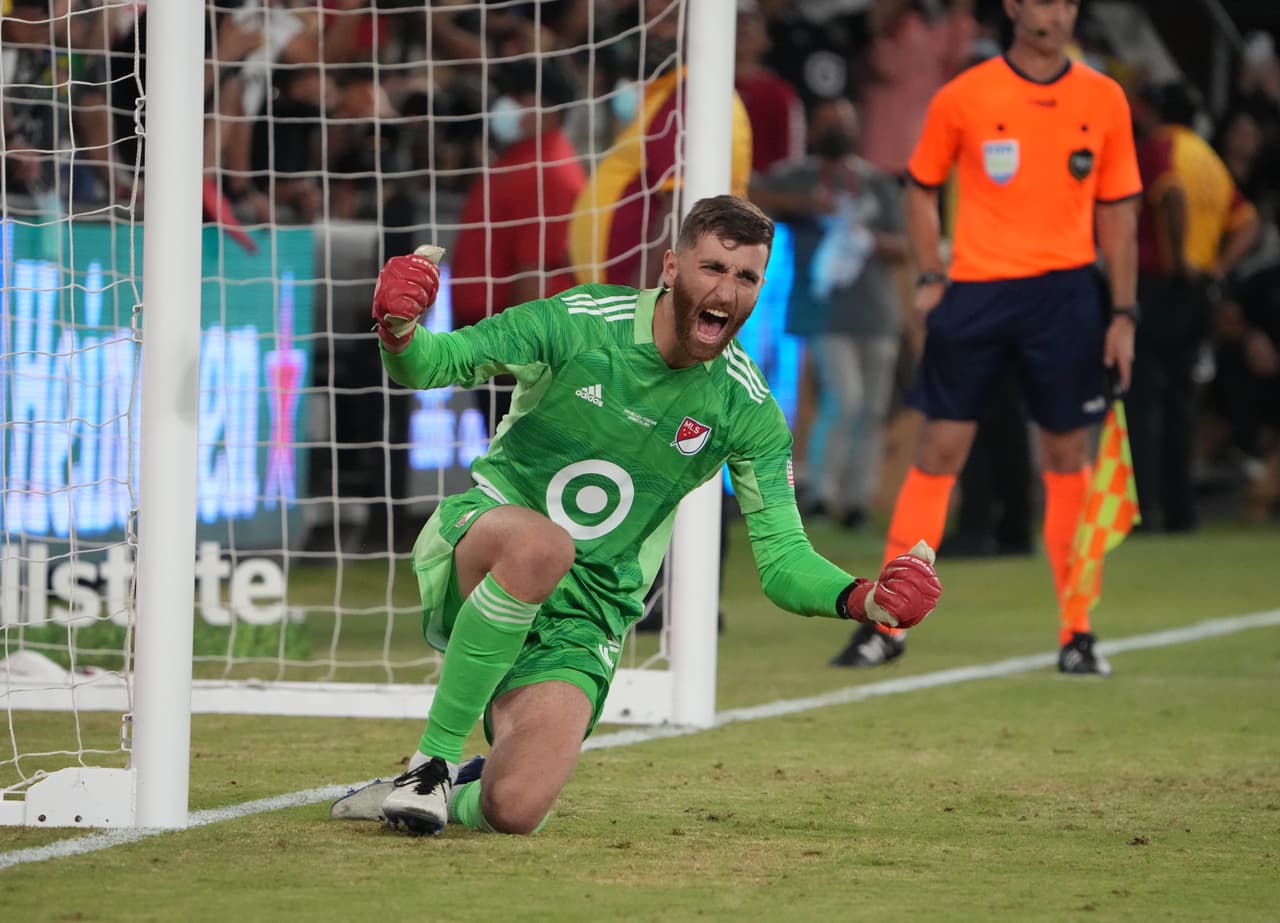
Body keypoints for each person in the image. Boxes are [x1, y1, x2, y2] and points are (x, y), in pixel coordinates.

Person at [347, 196, 941, 837]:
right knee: (544, 547)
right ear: (670, 268)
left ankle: (449, 789)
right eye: (713, 268)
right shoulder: (580, 322)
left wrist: (865, 598)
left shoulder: (746, 410)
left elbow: (783, 560)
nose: (727, 292)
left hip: (587, 614)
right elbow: (433, 363)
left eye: (746, 278)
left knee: (515, 809)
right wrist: (399, 330)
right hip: (490, 544)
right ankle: (430, 766)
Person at [829, 0, 1141, 676]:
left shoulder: (1104, 98)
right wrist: (929, 274)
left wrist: (1123, 314)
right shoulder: (965, 95)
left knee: (1066, 456)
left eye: (1067, 1)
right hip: (976, 289)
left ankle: (1078, 632)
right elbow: (919, 189)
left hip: (1066, 294)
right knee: (938, 449)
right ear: (1013, 6)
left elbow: (1119, 211)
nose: (1055, 13)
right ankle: (887, 625)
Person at [753, 98, 909, 527]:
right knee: (845, 400)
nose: (837, 128)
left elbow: (903, 246)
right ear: (813, 130)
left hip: (877, 313)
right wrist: (806, 204)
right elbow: (750, 192)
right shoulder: (798, 176)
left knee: (872, 409)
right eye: (827, 122)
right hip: (822, 312)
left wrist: (867, 239)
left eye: (844, 121)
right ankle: (823, 492)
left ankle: (857, 500)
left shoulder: (877, 182)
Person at [1128, 81, 1260, 533]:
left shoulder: (1160, 148)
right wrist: (1218, 266)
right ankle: (1181, 511)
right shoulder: (1208, 159)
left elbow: (1172, 195)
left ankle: (1144, 511)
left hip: (1159, 285)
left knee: (1144, 401)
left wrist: (1177, 257)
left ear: (1158, 112)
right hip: (1198, 290)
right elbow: (1249, 221)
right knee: (1182, 402)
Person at [568, 0, 753, 289]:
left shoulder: (688, 99)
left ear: (703, 26)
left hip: (641, 300)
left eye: (668, 20)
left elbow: (683, 211)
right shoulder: (673, 92)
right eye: (649, 18)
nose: (653, 31)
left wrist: (639, 302)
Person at [450, 58, 587, 435]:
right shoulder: (522, 160)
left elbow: (537, 272)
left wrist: (522, 368)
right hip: (493, 349)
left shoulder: (547, 170)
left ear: (550, 109)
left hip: (516, 361)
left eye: (521, 95)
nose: (508, 104)